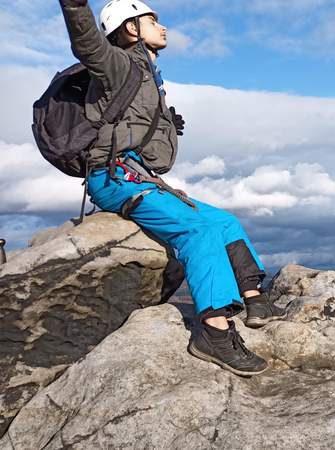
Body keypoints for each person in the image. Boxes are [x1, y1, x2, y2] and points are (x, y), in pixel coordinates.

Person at [58, 0, 282, 376]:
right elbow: (86, 43)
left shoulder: (147, 71)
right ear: (130, 28)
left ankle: (255, 302)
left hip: (138, 174)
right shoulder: (116, 61)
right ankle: (213, 332)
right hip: (115, 179)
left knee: (224, 221)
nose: (162, 27)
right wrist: (76, 6)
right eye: (152, 20)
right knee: (198, 230)